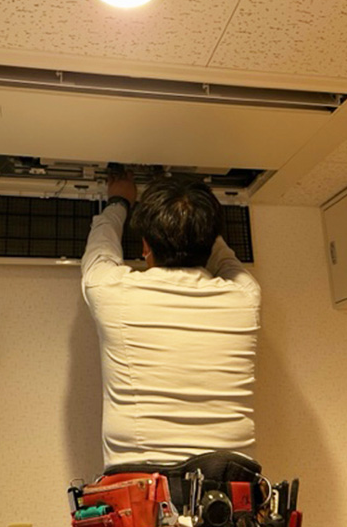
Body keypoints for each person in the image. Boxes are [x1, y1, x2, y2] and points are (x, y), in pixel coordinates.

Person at [81, 169, 261, 469]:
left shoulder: (111, 292)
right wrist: (194, 220)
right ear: (209, 243)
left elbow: (100, 246)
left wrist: (119, 201)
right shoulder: (245, 296)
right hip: (231, 486)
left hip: (142, 487)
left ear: (145, 247)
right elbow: (225, 258)